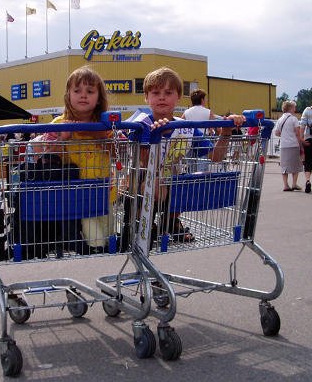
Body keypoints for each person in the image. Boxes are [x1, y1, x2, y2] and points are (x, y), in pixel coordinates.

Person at [132, 67, 245, 242]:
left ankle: (170, 220)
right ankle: (144, 222)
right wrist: (157, 134)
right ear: (147, 97)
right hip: (142, 183)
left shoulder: (185, 127)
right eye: (155, 93)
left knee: (198, 178)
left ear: (178, 97)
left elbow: (215, 157)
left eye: (168, 92)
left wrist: (226, 132)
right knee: (157, 185)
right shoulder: (141, 125)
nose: (162, 97)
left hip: (171, 180)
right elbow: (145, 162)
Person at [50, 66, 116, 252]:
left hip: (104, 191)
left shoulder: (106, 125)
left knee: (110, 236)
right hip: (75, 193)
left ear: (98, 97)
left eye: (90, 91)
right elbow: (47, 157)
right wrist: (63, 137)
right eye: (77, 91)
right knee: (97, 241)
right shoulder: (59, 124)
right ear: (68, 95)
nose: (83, 95)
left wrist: (99, 135)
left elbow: (119, 151)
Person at [182, 88, 219, 171]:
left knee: (191, 165)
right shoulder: (208, 112)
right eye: (205, 98)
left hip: (190, 139)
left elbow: (181, 125)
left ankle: (191, 181)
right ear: (202, 99)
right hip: (203, 140)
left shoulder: (186, 112)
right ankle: (201, 182)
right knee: (202, 165)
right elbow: (212, 127)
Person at [273, 100, 303, 191]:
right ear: (290, 108)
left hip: (283, 145)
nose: (295, 109)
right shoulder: (294, 119)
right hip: (293, 144)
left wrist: (284, 135)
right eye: (294, 107)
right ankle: (294, 184)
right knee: (295, 165)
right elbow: (297, 133)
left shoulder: (280, 119)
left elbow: (277, 133)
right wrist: (300, 144)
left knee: (284, 166)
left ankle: (286, 185)